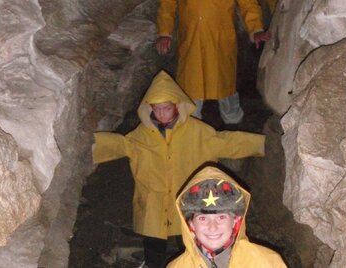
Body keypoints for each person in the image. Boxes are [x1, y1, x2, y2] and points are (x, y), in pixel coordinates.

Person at [92, 70, 266, 268]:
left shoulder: (197, 132)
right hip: (154, 200)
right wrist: (90, 144)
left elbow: (227, 142)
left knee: (186, 240)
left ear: (177, 106)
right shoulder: (141, 135)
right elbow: (121, 145)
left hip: (184, 197)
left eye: (166, 108)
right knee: (154, 243)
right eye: (156, 109)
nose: (161, 114)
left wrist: (261, 144)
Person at [156, 0, 272, 124]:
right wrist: (165, 32)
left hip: (220, 41)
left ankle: (234, 124)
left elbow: (248, 4)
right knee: (191, 86)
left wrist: (255, 29)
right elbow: (167, 5)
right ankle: (190, 128)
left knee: (224, 86)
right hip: (191, 40)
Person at [167, 165, 287, 268]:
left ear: (236, 220)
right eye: (203, 218)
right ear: (191, 224)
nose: (212, 227)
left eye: (221, 217)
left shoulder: (266, 263)